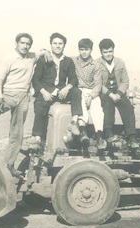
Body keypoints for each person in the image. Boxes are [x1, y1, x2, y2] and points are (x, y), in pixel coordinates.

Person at [0, 33, 51, 178]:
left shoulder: (31, 57)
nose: (25, 46)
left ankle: (10, 164)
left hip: (23, 98)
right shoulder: (8, 59)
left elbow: (41, 52)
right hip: (8, 94)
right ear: (16, 43)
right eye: (22, 43)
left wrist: (45, 51)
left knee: (17, 133)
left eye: (28, 44)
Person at [31, 33, 84, 161]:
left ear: (64, 45)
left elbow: (73, 79)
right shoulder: (44, 59)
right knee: (40, 106)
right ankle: (38, 139)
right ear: (51, 45)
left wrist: (67, 88)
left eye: (60, 44)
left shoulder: (68, 61)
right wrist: (43, 92)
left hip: (61, 91)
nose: (57, 46)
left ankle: (74, 122)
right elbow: (36, 79)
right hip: (46, 91)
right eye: (55, 43)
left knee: (77, 92)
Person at [97, 38, 139, 148]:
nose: (108, 54)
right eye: (105, 52)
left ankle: (132, 138)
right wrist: (110, 94)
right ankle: (108, 133)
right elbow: (98, 83)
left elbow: (125, 80)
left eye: (110, 51)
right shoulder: (97, 63)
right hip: (105, 93)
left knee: (128, 107)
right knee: (107, 107)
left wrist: (119, 94)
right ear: (101, 52)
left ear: (113, 51)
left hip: (118, 92)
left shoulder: (120, 62)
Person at [72, 38, 106, 150]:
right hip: (78, 90)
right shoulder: (74, 61)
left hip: (92, 92)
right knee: (81, 107)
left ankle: (99, 137)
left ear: (91, 50)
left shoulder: (96, 65)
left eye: (86, 49)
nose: (84, 52)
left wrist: (91, 96)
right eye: (81, 49)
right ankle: (83, 132)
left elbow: (98, 84)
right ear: (78, 50)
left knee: (97, 109)